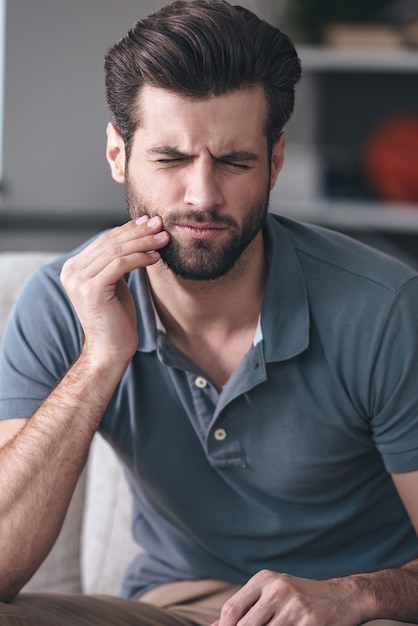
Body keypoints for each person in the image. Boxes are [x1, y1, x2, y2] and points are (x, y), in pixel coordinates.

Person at [0, 1, 418, 624]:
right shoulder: (62, 301)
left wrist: (353, 595)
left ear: (274, 161)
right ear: (119, 154)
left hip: (344, 612)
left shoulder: (382, 310)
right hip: (172, 608)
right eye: (170, 159)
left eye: (234, 161)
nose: (202, 195)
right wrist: (101, 357)